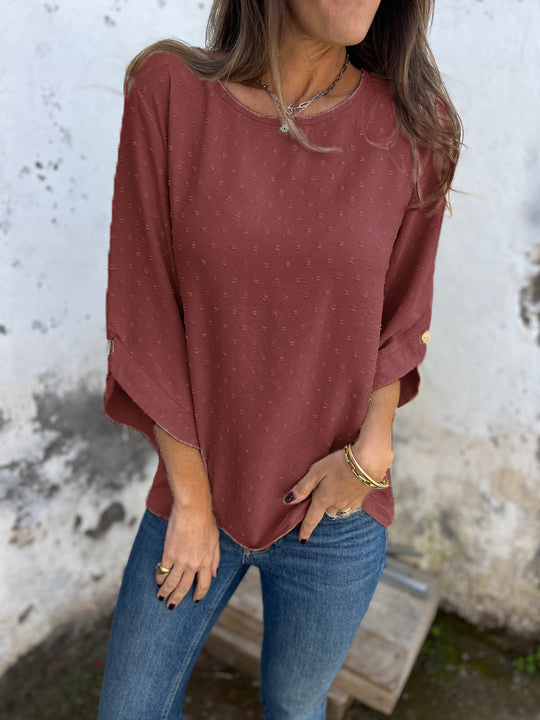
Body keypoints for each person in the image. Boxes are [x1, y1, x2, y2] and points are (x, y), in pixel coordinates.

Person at [97, 0, 462, 718]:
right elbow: (145, 314)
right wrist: (192, 503)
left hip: (335, 509)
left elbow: (401, 319)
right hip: (199, 492)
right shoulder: (168, 93)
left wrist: (372, 453)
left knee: (296, 709)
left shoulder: (415, 127)